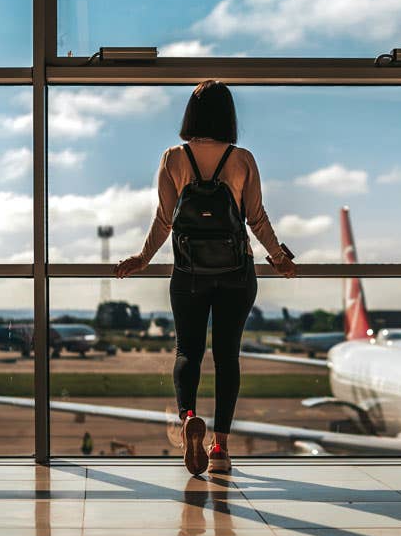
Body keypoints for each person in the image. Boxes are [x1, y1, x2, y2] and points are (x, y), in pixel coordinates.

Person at [114, 80, 297, 475]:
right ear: (229, 114)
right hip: (236, 271)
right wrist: (280, 257)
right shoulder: (242, 158)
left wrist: (142, 258)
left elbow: (165, 220)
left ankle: (188, 420)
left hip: (189, 272)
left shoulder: (173, 158)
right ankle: (220, 449)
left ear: (190, 114)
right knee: (227, 356)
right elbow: (256, 218)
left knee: (188, 353)